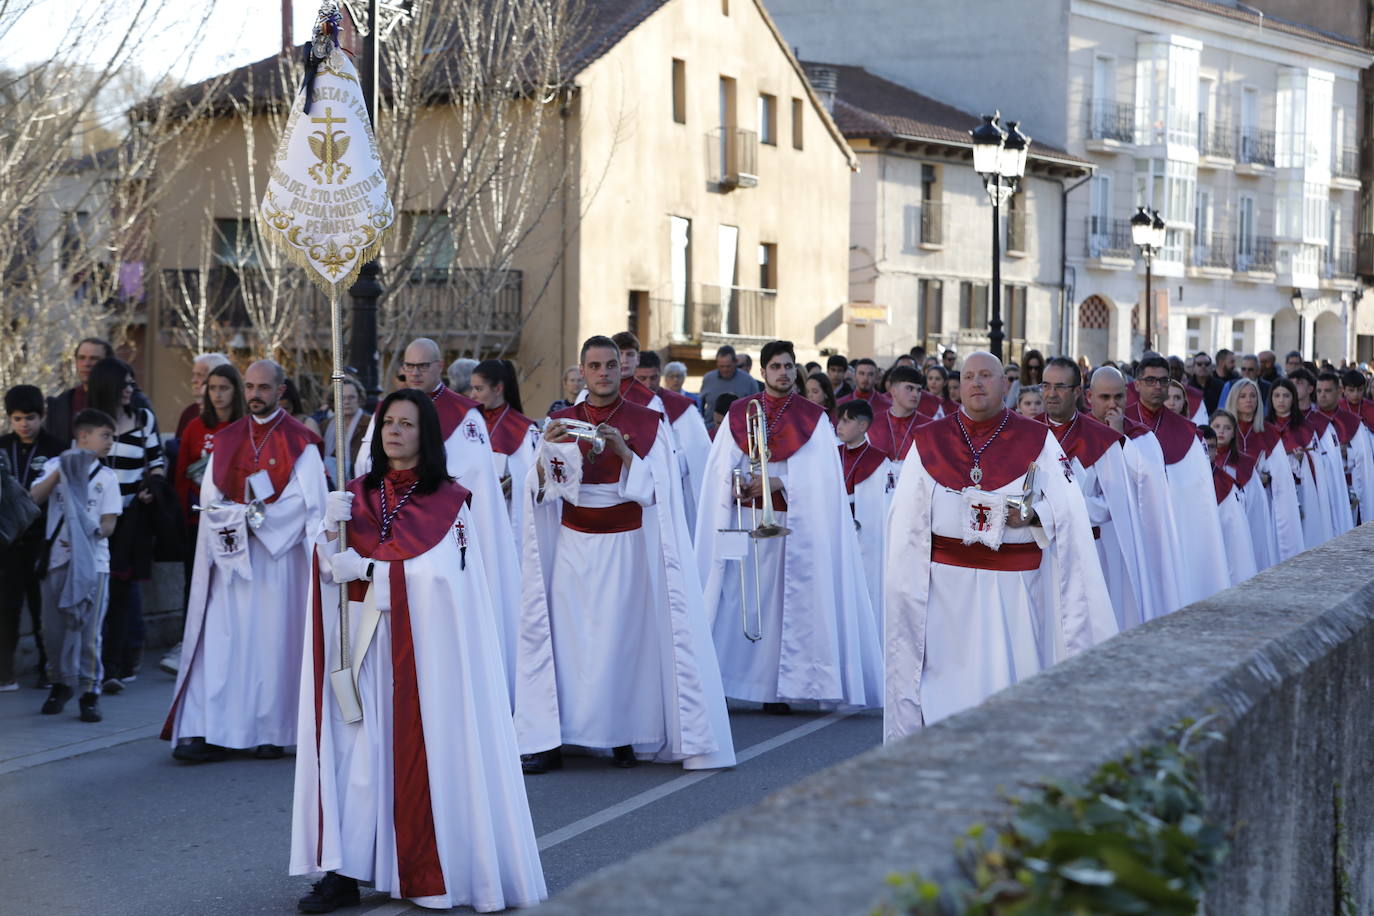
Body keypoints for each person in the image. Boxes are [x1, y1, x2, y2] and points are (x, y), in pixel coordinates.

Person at [291, 390, 546, 914]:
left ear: (424, 434)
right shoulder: (356, 493)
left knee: (415, 759)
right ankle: (344, 872)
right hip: (361, 646)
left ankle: (429, 869)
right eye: (388, 421)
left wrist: (366, 571)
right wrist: (325, 533)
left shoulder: (448, 501)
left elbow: (443, 580)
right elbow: (329, 570)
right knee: (355, 760)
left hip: (423, 658)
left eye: (406, 424)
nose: (394, 431)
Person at [516, 336, 735, 773]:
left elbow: (660, 490)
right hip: (574, 543)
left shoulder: (648, 422)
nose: (602, 373)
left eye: (610, 365)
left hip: (626, 543)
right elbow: (541, 491)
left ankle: (622, 735)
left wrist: (624, 452)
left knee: (621, 642)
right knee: (570, 641)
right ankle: (556, 738)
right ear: (581, 370)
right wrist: (546, 455)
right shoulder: (561, 420)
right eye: (594, 366)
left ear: (622, 368)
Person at [884, 352, 1114, 739]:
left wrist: (1035, 514)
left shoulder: (1037, 439)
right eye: (969, 376)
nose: (977, 383)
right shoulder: (929, 441)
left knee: (1013, 685)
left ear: (1005, 385)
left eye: (986, 375)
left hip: (1016, 588)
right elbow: (906, 522)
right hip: (946, 592)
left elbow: (1071, 508)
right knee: (945, 688)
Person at [695, 340, 881, 715]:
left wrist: (780, 483)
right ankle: (736, 679)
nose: (783, 372)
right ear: (763, 372)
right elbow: (718, 470)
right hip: (747, 521)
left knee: (786, 607)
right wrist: (737, 483)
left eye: (788, 366)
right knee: (740, 601)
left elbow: (825, 481)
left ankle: (779, 688)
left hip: (792, 526)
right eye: (776, 366)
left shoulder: (812, 418)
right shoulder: (737, 413)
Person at [162, 359, 327, 762]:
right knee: (222, 644)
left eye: (264, 387)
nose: (255, 394)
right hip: (232, 558)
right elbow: (210, 496)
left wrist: (258, 521)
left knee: (273, 645)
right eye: (249, 387)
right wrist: (233, 520)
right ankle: (213, 729)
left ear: (281, 390)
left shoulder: (300, 441)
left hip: (277, 563)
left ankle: (272, 731)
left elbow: (309, 501)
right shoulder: (228, 437)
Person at [1040, 359, 1148, 632]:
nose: (1052, 393)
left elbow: (1114, 502)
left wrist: (1057, 509)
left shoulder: (1102, 438)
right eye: (1047, 386)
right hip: (1039, 551)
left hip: (1089, 549)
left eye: (1060, 387)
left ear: (1078, 392)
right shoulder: (1025, 431)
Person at [30, 409, 122, 721]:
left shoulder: (107, 477)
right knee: (53, 630)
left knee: (88, 630)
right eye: (105, 435)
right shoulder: (56, 465)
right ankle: (60, 683)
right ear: (84, 436)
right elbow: (33, 498)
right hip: (57, 560)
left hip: (94, 563)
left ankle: (89, 691)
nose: (110, 442)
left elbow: (109, 522)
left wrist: (90, 531)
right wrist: (62, 472)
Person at [85, 357, 168, 692]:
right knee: (94, 595)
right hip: (94, 520)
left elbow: (158, 460)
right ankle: (85, 666)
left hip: (131, 519)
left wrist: (153, 487)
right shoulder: (90, 422)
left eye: (133, 384)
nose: (131, 390)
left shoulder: (143, 417)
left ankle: (113, 669)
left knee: (120, 593)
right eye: (126, 384)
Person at [1126, 356, 1230, 605]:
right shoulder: (1119, 423)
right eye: (1150, 380)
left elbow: (1198, 495)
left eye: (1163, 380)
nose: (1157, 386)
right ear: (1137, 384)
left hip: (1174, 528)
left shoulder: (1189, 433)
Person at [1086, 365, 1186, 621]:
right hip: (1089, 542)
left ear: (1127, 396)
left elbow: (1148, 485)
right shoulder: (1076, 433)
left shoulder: (1140, 437)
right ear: (1089, 397)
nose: (1112, 404)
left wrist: (1118, 438)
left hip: (1126, 541)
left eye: (1118, 397)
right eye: (1104, 397)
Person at [1, 386, 64, 690]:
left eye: (30, 417)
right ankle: (5, 672)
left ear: (43, 416)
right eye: (17, 418)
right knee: (6, 609)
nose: (24, 424)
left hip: (43, 541)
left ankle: (48, 669)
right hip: (8, 542)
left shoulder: (56, 448)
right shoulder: (3, 447)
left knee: (44, 610)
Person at [1225, 378, 1303, 563]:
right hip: (1230, 502)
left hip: (1262, 504)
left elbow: (1281, 475)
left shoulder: (1269, 432)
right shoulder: (1223, 429)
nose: (1248, 400)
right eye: (1242, 396)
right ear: (1234, 399)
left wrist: (1265, 477)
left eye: (1253, 396)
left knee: (1259, 549)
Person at [636, 350, 713, 532]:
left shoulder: (680, 407)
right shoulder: (622, 403)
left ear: (660, 375)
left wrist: (667, 466)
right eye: (642, 379)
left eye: (653, 378)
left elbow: (699, 452)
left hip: (675, 492)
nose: (648, 384)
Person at [835, 399, 894, 636]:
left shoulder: (880, 462)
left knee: (866, 597)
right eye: (839, 419)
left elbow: (887, 507)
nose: (839, 425)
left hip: (866, 542)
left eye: (846, 421)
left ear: (862, 426)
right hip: (836, 537)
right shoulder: (832, 454)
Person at [470, 359, 539, 546]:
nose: (472, 395)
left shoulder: (523, 429)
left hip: (508, 513)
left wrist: (513, 483)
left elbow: (532, 475)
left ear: (498, 389)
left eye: (478, 389)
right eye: (472, 388)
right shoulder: (469, 423)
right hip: (474, 509)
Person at [1268, 378, 1334, 550]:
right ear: (1271, 399)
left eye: (1286, 395)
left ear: (1293, 399)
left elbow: (1318, 460)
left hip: (1302, 491)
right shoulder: (1264, 428)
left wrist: (1303, 459)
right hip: (1272, 493)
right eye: (1277, 395)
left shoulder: (1306, 428)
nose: (1281, 400)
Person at [44, 338, 150, 440]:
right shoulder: (61, 404)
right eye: (81, 358)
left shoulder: (132, 400)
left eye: (94, 359)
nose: (86, 364)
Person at [1210, 409, 1276, 573]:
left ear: (1234, 432)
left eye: (1227, 428)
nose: (1221, 431)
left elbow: (1255, 503)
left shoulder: (1245, 464)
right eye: (1217, 426)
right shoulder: (1200, 461)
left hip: (1237, 526)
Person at [1197, 424, 1258, 586]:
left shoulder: (1227, 486)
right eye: (1201, 447)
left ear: (1216, 451)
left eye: (1210, 447)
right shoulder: (1180, 482)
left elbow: (1236, 538)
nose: (1205, 453)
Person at [1312, 371, 1373, 526]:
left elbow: (1365, 453)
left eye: (1359, 390)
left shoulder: (1363, 414)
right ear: (1343, 390)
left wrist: (1349, 453)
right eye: (1319, 391)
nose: (1355, 394)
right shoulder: (1314, 418)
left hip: (1354, 477)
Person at [866, 366, 930, 470]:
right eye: (909, 388)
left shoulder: (929, 427)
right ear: (894, 391)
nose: (915, 394)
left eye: (919, 390)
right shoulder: (871, 424)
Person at [699, 345, 762, 432]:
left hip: (739, 432)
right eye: (721, 366)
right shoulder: (708, 379)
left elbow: (756, 408)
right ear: (717, 363)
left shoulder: (748, 381)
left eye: (728, 366)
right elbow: (700, 405)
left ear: (735, 362)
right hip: (712, 432)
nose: (725, 369)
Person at [321, 375, 368, 487]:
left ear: (359, 399)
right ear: (334, 401)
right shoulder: (324, 425)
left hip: (361, 483)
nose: (346, 402)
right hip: (330, 486)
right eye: (341, 397)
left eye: (351, 397)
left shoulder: (370, 424)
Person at [174, 353, 231, 439]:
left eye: (200, 375)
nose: (193, 380)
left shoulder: (236, 415)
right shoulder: (189, 413)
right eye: (194, 374)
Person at [1340, 368, 1374, 434]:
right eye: (1351, 390)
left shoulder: (1371, 407)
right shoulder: (1336, 407)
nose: (1355, 394)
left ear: (1364, 389)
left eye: (1360, 389)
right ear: (1343, 390)